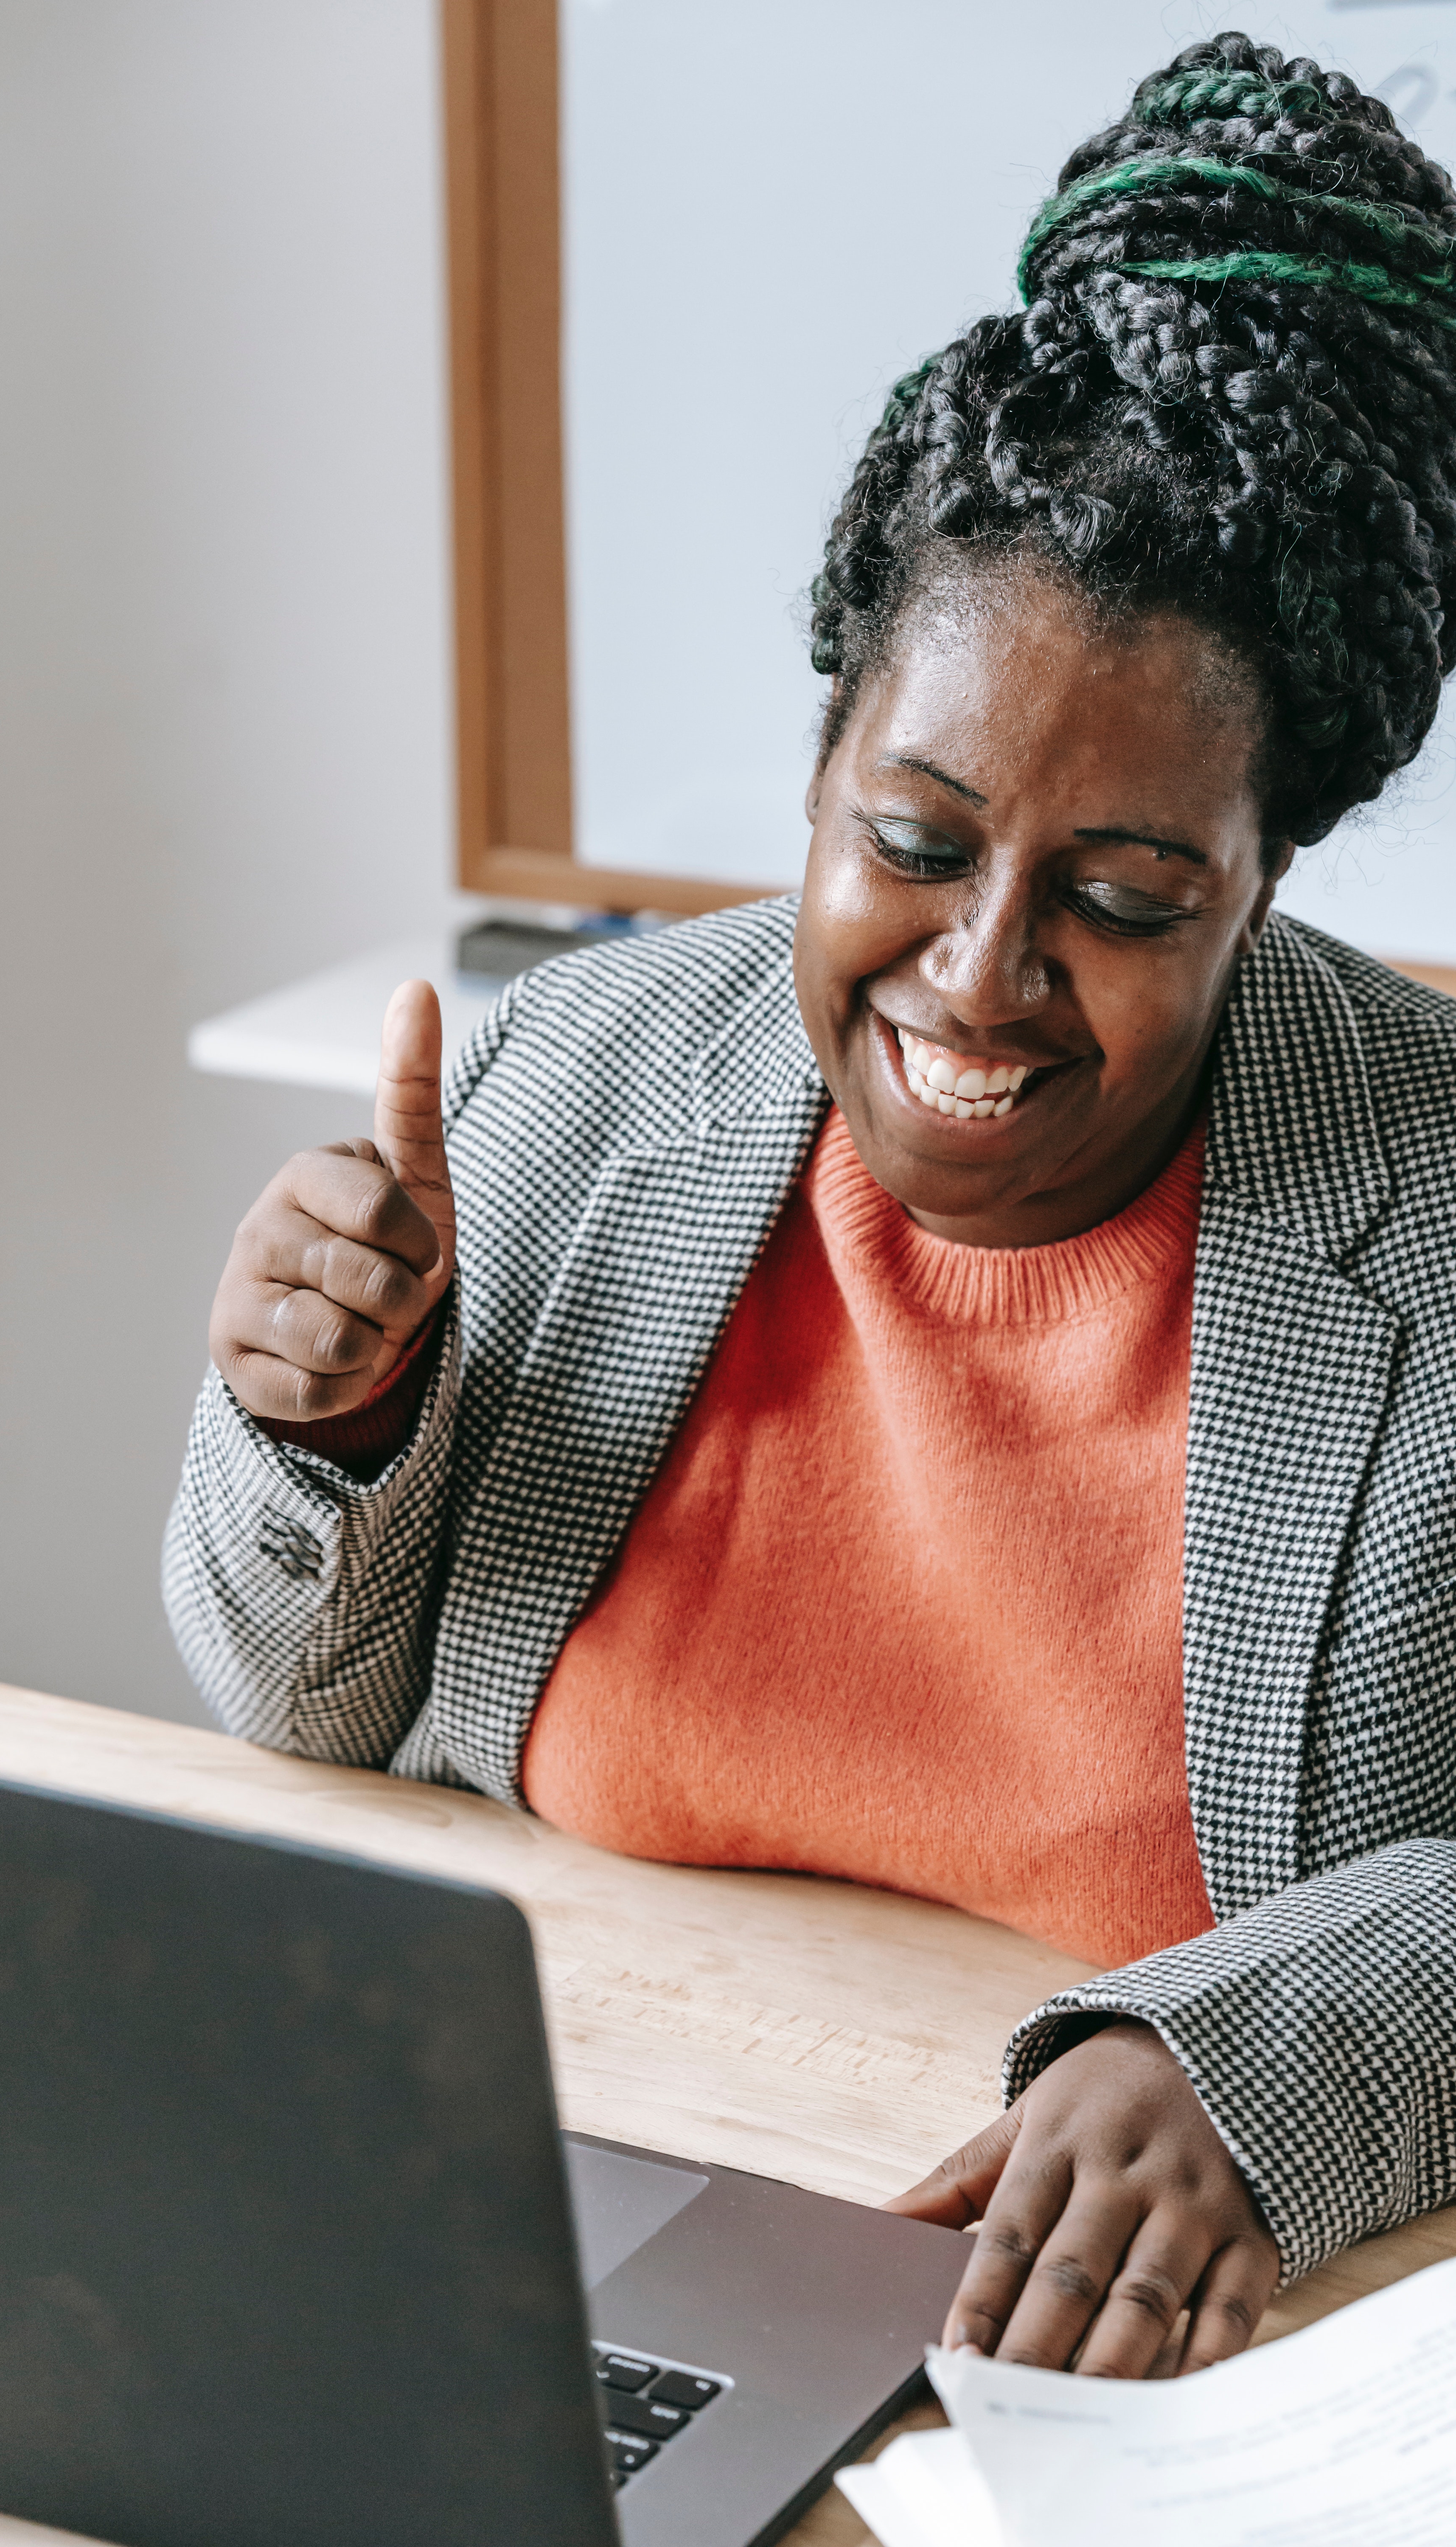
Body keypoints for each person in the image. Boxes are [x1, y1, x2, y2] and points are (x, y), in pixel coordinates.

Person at [165, 33, 1456, 2381]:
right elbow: (301, 1725)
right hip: (508, 2251)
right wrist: (322, 1433)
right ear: (823, 755)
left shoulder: (1435, 1221)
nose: (979, 974)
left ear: (1269, 879)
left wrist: (1276, 2063)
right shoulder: (576, 1091)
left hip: (1129, 2371)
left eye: (1130, 890)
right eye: (914, 842)